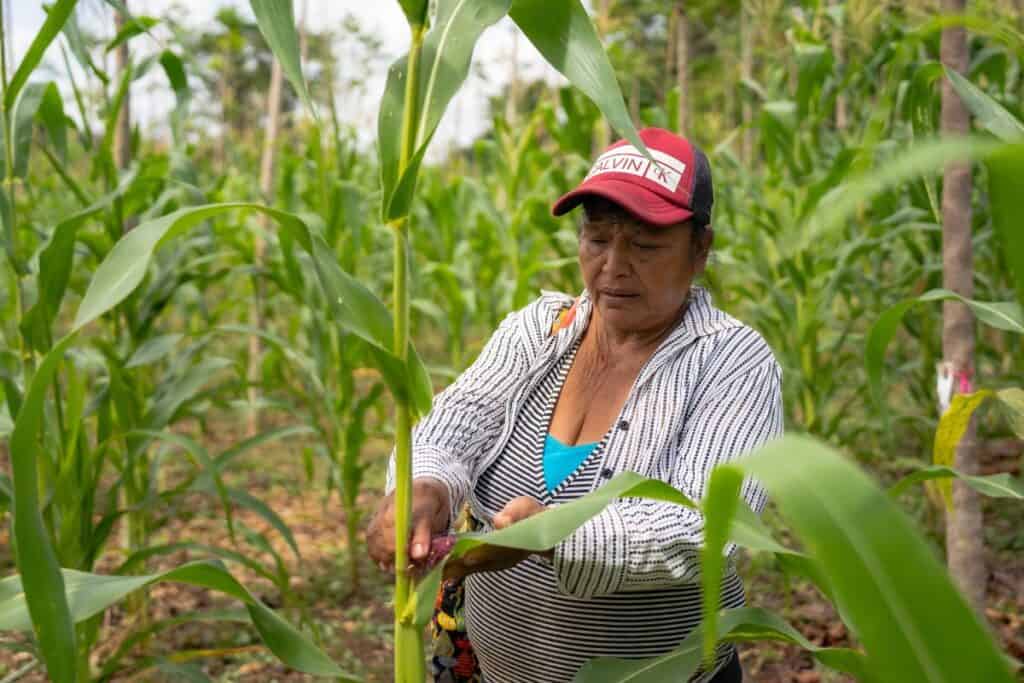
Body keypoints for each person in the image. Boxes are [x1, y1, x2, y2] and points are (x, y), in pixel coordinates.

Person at [367, 128, 783, 683]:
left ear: (700, 249)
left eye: (645, 244)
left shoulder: (733, 361)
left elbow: (707, 525)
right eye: (597, 237)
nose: (613, 265)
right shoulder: (542, 329)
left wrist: (553, 531)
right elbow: (455, 423)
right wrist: (424, 486)